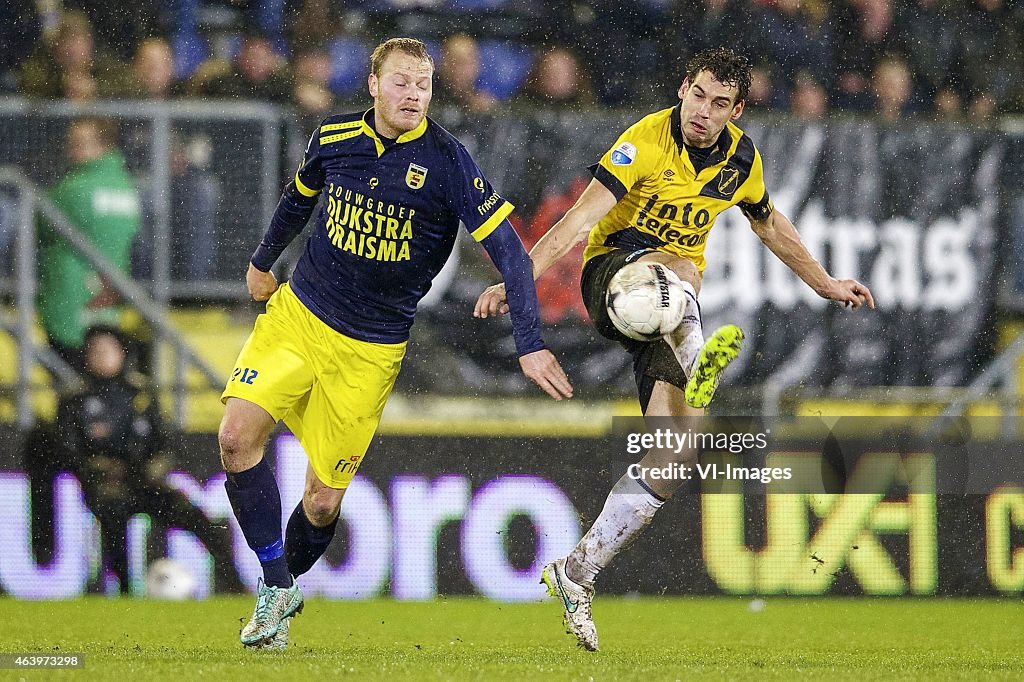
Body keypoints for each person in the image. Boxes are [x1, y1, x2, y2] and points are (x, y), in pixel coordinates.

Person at [474, 47, 875, 651]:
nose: (705, 113)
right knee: (676, 268)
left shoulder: (742, 159)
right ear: (683, 88)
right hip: (613, 276)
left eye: (721, 104)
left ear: (736, 110)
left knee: (674, 454)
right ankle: (694, 340)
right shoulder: (644, 142)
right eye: (699, 96)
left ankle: (578, 571)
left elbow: (770, 225)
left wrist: (825, 283)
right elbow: (582, 221)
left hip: (667, 306)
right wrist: (520, 280)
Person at [218, 37, 572, 651]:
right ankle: (276, 586)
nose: (413, 95)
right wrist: (261, 262)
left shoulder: (448, 162)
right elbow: (298, 197)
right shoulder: (334, 138)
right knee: (234, 438)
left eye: (423, 86)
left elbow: (512, 252)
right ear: (374, 85)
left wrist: (529, 341)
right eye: (402, 82)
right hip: (298, 317)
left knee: (323, 503)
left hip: (370, 350)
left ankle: (285, 585)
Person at [58, 326, 245, 594]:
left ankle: (235, 582)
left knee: (198, 519)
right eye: (95, 351)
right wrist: (100, 470)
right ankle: (123, 589)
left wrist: (152, 469)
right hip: (104, 487)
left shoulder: (141, 394)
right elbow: (69, 451)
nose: (102, 357)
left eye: (107, 350)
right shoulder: (75, 399)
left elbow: (166, 443)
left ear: (121, 353)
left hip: (145, 481)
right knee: (112, 516)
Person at [38, 117, 141, 371]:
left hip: (68, 301)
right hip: (108, 301)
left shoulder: (72, 190)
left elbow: (38, 227)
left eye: (80, 143)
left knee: (71, 385)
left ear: (103, 145)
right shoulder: (127, 188)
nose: (71, 150)